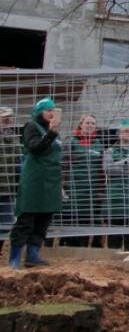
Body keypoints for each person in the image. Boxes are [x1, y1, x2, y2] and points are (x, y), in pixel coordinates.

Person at [8, 98, 63, 270]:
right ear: (40, 112)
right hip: (34, 179)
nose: (51, 112)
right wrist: (51, 133)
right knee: (26, 218)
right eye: (48, 110)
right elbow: (35, 148)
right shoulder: (32, 126)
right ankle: (15, 258)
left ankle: (33, 255)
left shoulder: (52, 130)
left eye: (54, 110)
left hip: (51, 180)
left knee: (44, 218)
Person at [63, 114, 104, 247]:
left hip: (91, 190)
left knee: (87, 219)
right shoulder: (71, 142)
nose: (90, 125)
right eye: (87, 123)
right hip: (73, 188)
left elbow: (101, 170)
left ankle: (83, 248)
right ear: (81, 124)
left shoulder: (98, 145)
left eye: (93, 123)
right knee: (72, 218)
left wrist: (100, 189)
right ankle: (69, 247)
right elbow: (63, 165)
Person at [103, 119, 129, 250]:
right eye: (126, 131)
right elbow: (108, 169)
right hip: (115, 199)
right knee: (114, 235)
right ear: (119, 134)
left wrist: (118, 164)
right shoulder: (110, 151)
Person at [0, 107, 19, 258]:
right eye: (5, 118)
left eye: (10, 118)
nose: (8, 120)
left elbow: (17, 162)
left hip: (7, 189)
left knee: (5, 224)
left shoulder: (14, 138)